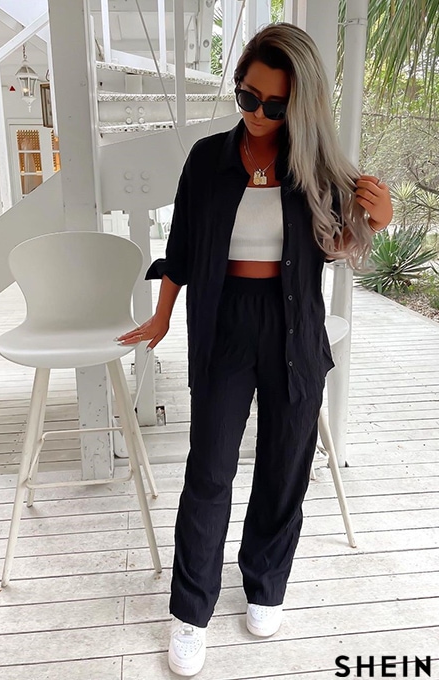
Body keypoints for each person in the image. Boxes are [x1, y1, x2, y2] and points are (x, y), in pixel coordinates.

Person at [116, 22, 393, 678]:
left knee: (284, 467)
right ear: (238, 87)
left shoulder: (318, 168)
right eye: (248, 97)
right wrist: (162, 317)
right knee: (209, 470)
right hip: (224, 322)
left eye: (276, 104)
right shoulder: (206, 160)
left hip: (295, 326)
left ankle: (266, 584)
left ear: (300, 104)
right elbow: (183, 249)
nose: (260, 114)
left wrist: (373, 221)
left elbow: (337, 249)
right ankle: (191, 611)